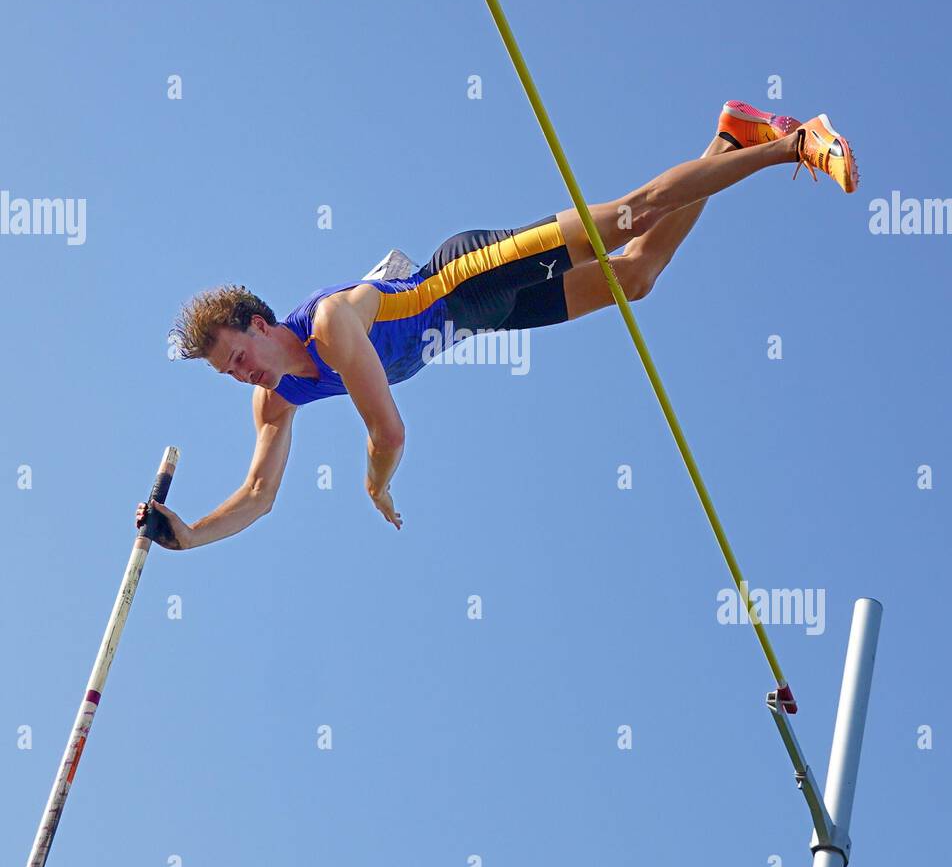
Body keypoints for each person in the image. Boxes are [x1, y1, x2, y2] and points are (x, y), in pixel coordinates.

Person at [137, 104, 856, 546]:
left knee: (630, 214)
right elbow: (260, 497)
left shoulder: (330, 326)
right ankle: (733, 138)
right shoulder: (275, 400)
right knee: (635, 277)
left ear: (260, 324)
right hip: (487, 318)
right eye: (229, 374)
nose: (243, 377)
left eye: (239, 357)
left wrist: (373, 485)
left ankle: (795, 144)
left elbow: (389, 433)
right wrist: (193, 534)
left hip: (469, 273)